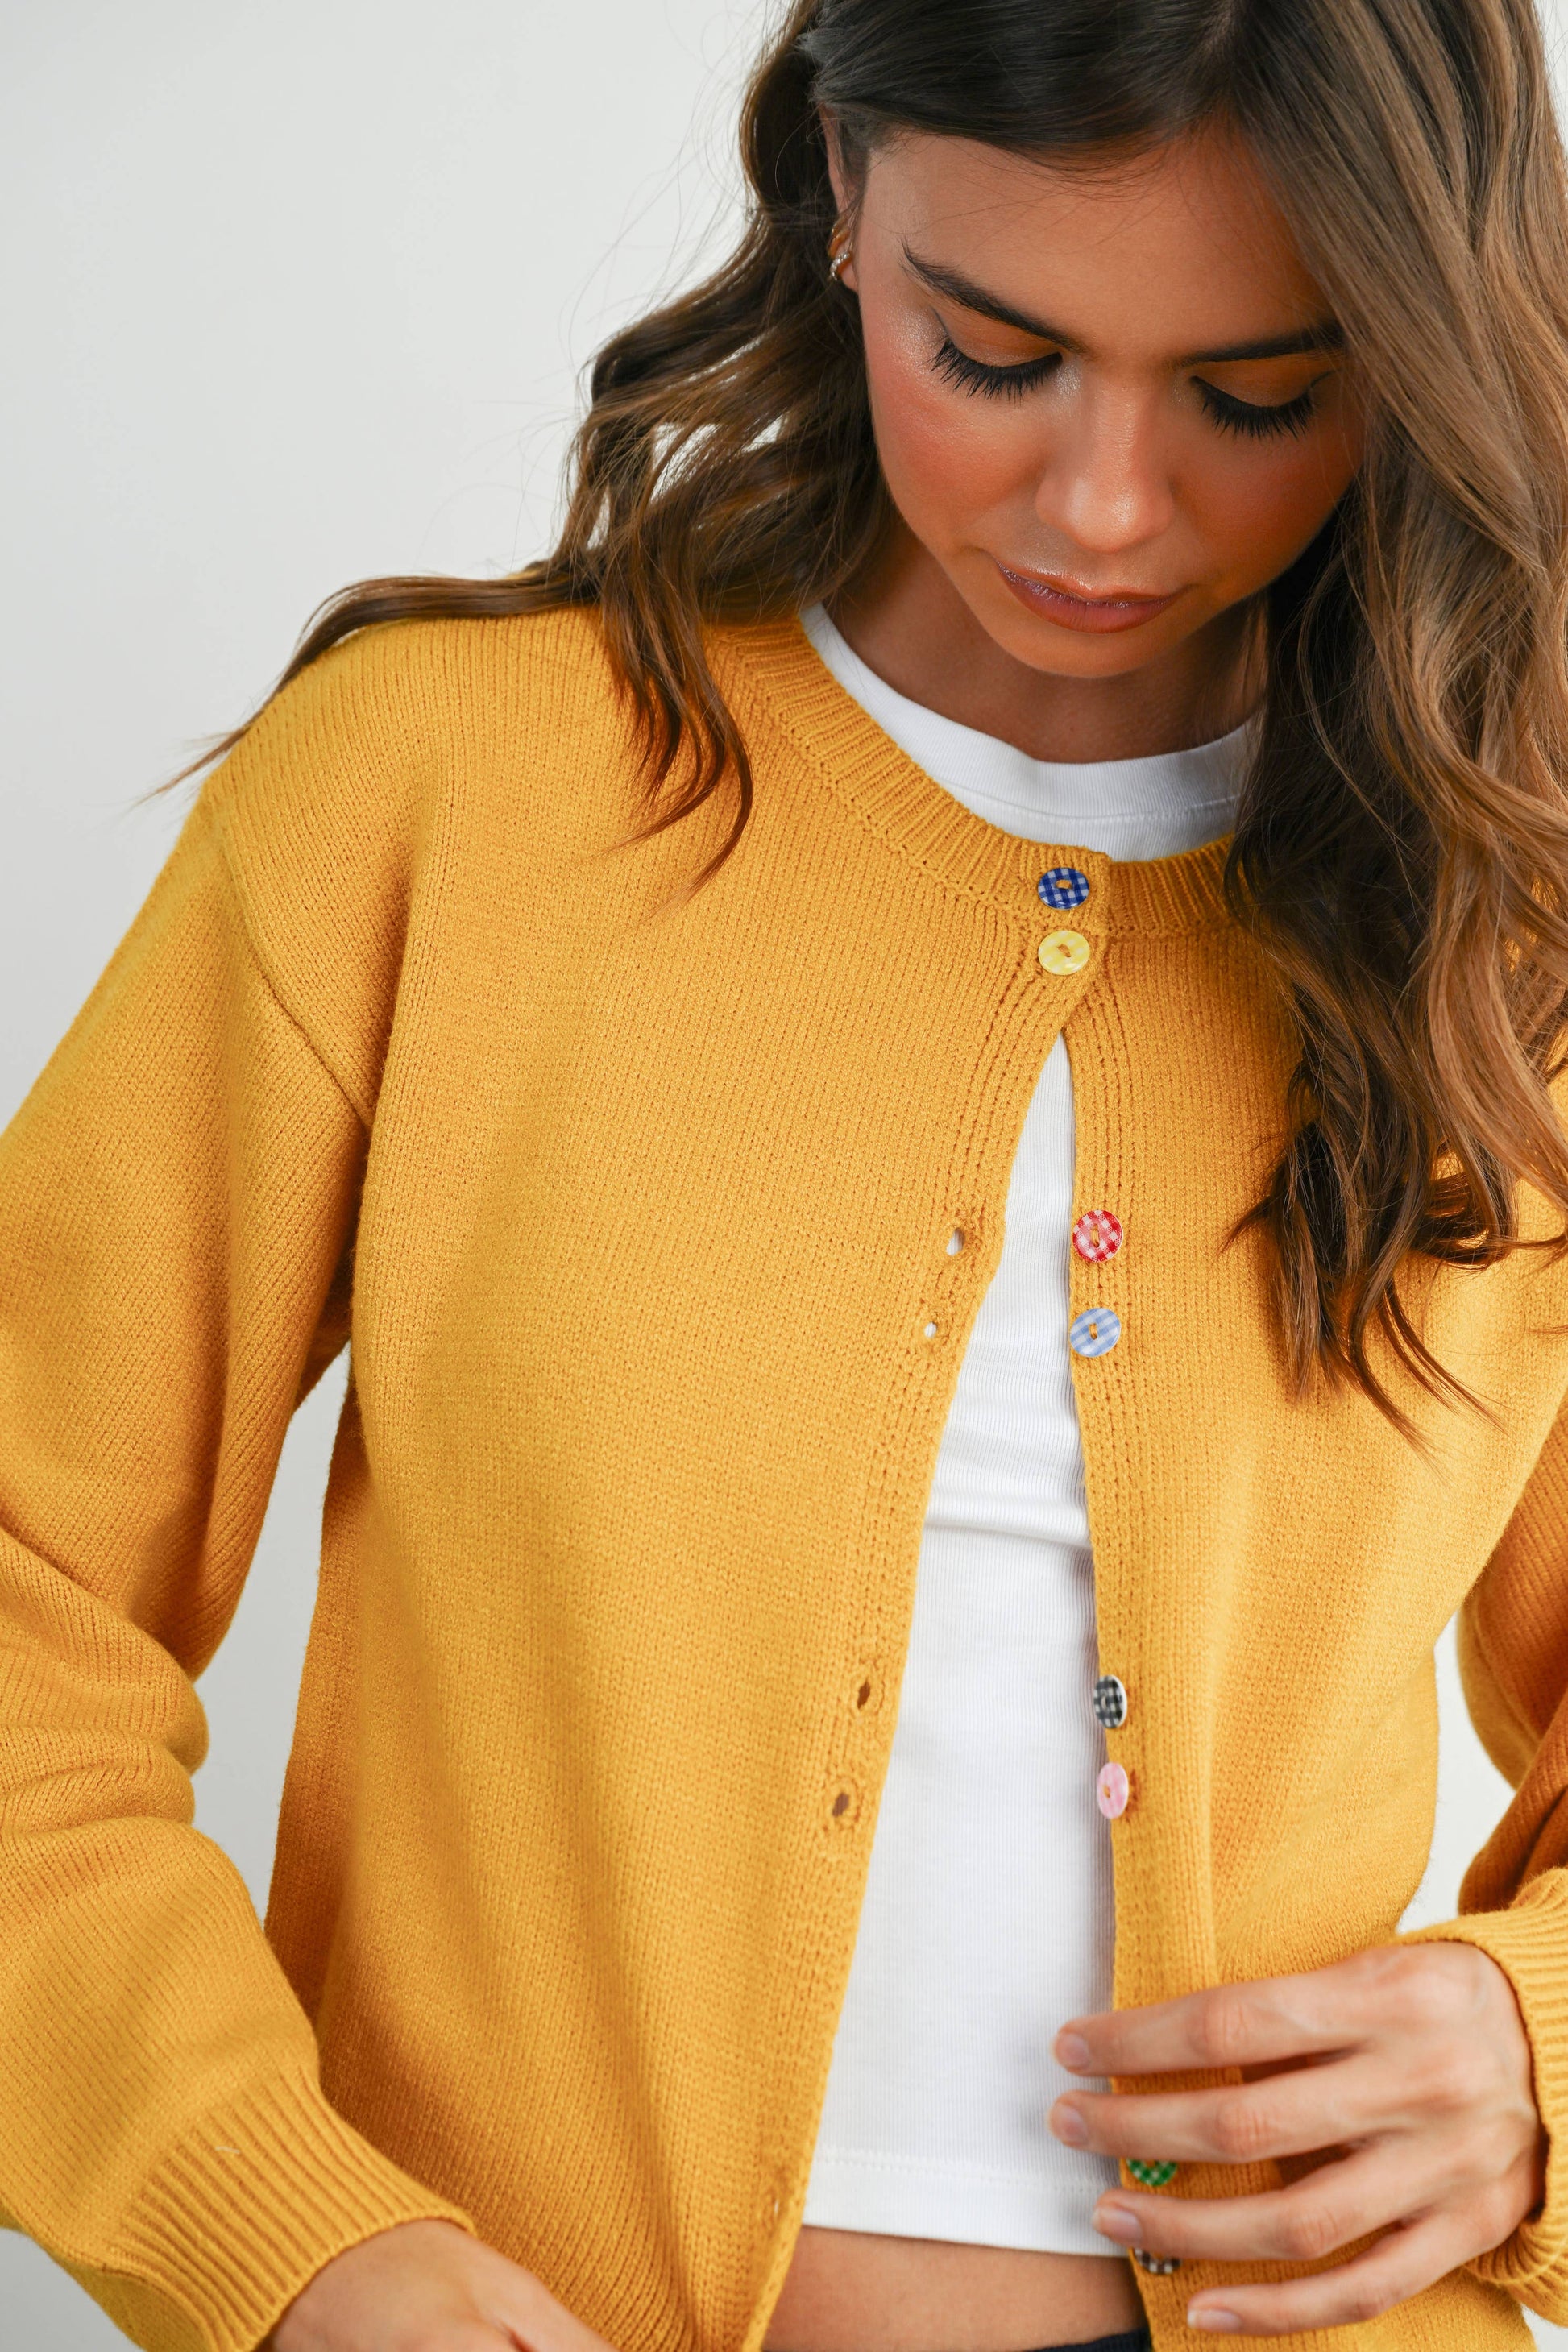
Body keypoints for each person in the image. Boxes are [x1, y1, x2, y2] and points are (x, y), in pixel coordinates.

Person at [5, 0, 1568, 2347]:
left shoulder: (1508, 944)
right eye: (994, 353)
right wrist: (287, 2231)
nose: (1105, 507)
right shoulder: (448, 797)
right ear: (842, 195)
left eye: (1259, 395)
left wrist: (1542, 2051)